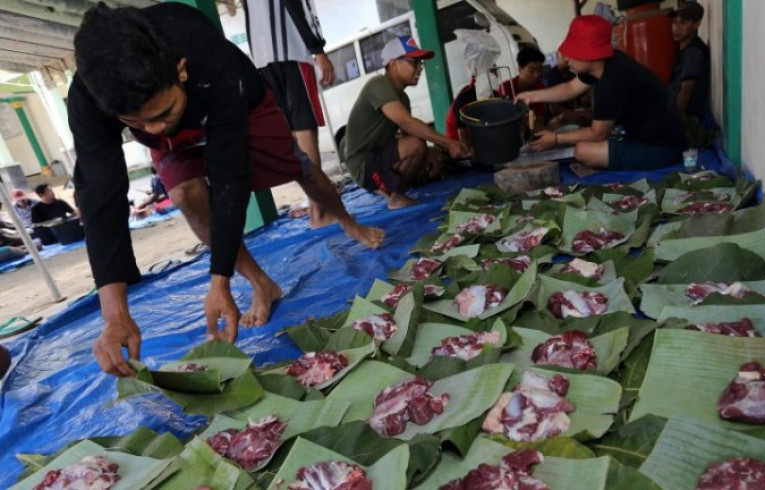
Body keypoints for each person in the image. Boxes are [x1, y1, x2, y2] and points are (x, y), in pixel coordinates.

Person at [69, 3, 384, 377]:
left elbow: (229, 175)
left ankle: (346, 219)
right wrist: (116, 315)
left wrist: (218, 280)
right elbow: (100, 198)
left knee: (298, 166)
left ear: (180, 70)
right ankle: (260, 283)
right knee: (185, 195)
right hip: (183, 105)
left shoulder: (203, 50)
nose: (154, 130)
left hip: (238, 103)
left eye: (162, 113)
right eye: (137, 123)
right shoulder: (89, 97)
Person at [516, 15, 686, 175]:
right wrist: (532, 96)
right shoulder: (607, 63)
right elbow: (569, 89)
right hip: (658, 136)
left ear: (590, 54)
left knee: (582, 151)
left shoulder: (612, 80)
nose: (566, 59)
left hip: (660, 149)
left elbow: (597, 134)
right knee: (583, 140)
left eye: (573, 52)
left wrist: (556, 138)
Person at [346, 36, 471, 209]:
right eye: (414, 62)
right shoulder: (378, 84)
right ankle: (396, 198)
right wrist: (448, 143)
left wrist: (433, 153)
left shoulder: (402, 97)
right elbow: (407, 123)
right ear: (393, 63)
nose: (419, 68)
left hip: (379, 156)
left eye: (421, 63)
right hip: (363, 165)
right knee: (416, 145)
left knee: (431, 154)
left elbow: (408, 133)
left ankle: (389, 188)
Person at [245, 0, 339, 228]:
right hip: (292, 50)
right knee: (305, 130)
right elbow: (299, 6)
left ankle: (317, 210)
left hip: (261, 58)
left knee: (295, 135)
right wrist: (317, 49)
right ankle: (318, 212)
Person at [445, 29, 502, 151]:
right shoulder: (467, 98)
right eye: (492, 70)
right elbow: (464, 140)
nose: (495, 74)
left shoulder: (494, 94)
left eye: (495, 69)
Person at [669, 1, 710, 117]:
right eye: (675, 22)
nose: (676, 28)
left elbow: (686, 92)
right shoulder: (685, 50)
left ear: (697, 24)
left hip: (688, 118)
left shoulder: (693, 52)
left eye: (683, 23)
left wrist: (674, 122)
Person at [496, 46, 547, 129]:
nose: (537, 74)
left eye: (540, 70)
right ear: (520, 69)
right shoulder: (506, 89)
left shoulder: (540, 87)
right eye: (531, 70)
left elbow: (540, 119)